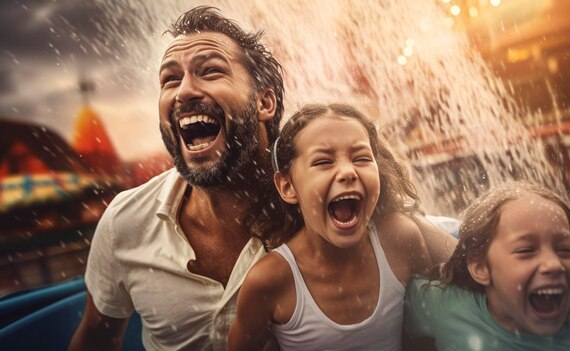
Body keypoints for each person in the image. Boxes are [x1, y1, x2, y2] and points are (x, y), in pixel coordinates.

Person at [68, 6, 455, 351]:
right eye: (169, 80)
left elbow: (464, 265)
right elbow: (96, 339)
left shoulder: (328, 203)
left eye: (211, 71)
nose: (184, 91)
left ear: (264, 103)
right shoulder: (125, 223)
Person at [228, 103, 434, 350]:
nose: (348, 171)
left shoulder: (400, 239)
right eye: (323, 162)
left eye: (361, 158)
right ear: (287, 187)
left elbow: (431, 329)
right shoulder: (271, 279)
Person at [404, 181, 570, 350]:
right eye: (526, 250)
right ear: (480, 267)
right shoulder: (442, 305)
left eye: (565, 250)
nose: (554, 264)